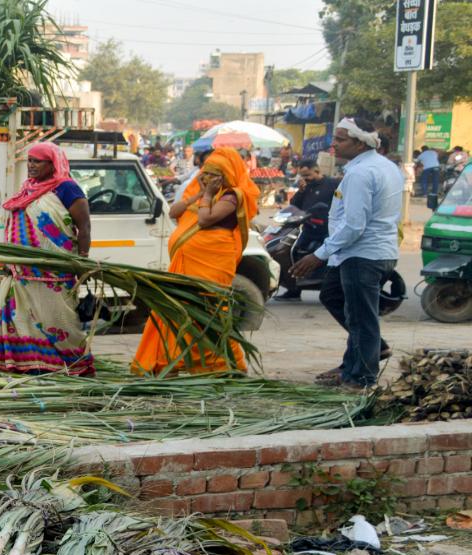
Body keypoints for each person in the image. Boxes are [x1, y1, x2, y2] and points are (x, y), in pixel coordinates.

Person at [289, 118, 401, 390]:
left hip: (363, 254)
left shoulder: (360, 174)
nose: (334, 144)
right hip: (370, 252)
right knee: (333, 296)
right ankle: (357, 361)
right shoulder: (383, 166)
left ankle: (361, 378)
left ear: (360, 143)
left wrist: (318, 254)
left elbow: (354, 226)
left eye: (340, 139)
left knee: (361, 317)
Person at [132, 147, 256, 376]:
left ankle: (223, 366)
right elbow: (174, 212)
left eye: (213, 174)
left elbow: (205, 219)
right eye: (205, 173)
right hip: (186, 266)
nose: (207, 178)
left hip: (212, 264)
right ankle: (170, 362)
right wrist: (199, 194)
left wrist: (207, 196)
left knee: (208, 312)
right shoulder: (203, 194)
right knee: (179, 311)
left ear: (225, 175)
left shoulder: (231, 196)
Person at [0, 142, 94, 375]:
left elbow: (84, 227)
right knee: (22, 320)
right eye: (29, 160)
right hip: (22, 273)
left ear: (52, 164)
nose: (31, 165)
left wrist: (83, 262)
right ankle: (30, 366)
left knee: (59, 321)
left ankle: (71, 366)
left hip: (55, 272)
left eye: (37, 161)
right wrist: (8, 260)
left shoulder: (67, 188)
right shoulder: (28, 188)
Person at [273, 159, 342, 301]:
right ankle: (294, 289)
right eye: (303, 176)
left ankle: (326, 283)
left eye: (308, 175)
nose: (305, 179)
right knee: (293, 252)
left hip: (328, 229)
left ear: (317, 171)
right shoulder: (306, 187)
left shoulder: (332, 184)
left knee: (325, 255)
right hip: (309, 227)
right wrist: (300, 191)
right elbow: (294, 205)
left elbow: (341, 201)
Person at [415, 145, 441, 209]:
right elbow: (436, 158)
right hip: (436, 166)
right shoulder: (434, 152)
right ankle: (434, 193)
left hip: (427, 168)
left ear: (422, 150)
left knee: (424, 179)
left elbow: (417, 161)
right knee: (435, 180)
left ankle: (425, 193)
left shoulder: (421, 155)